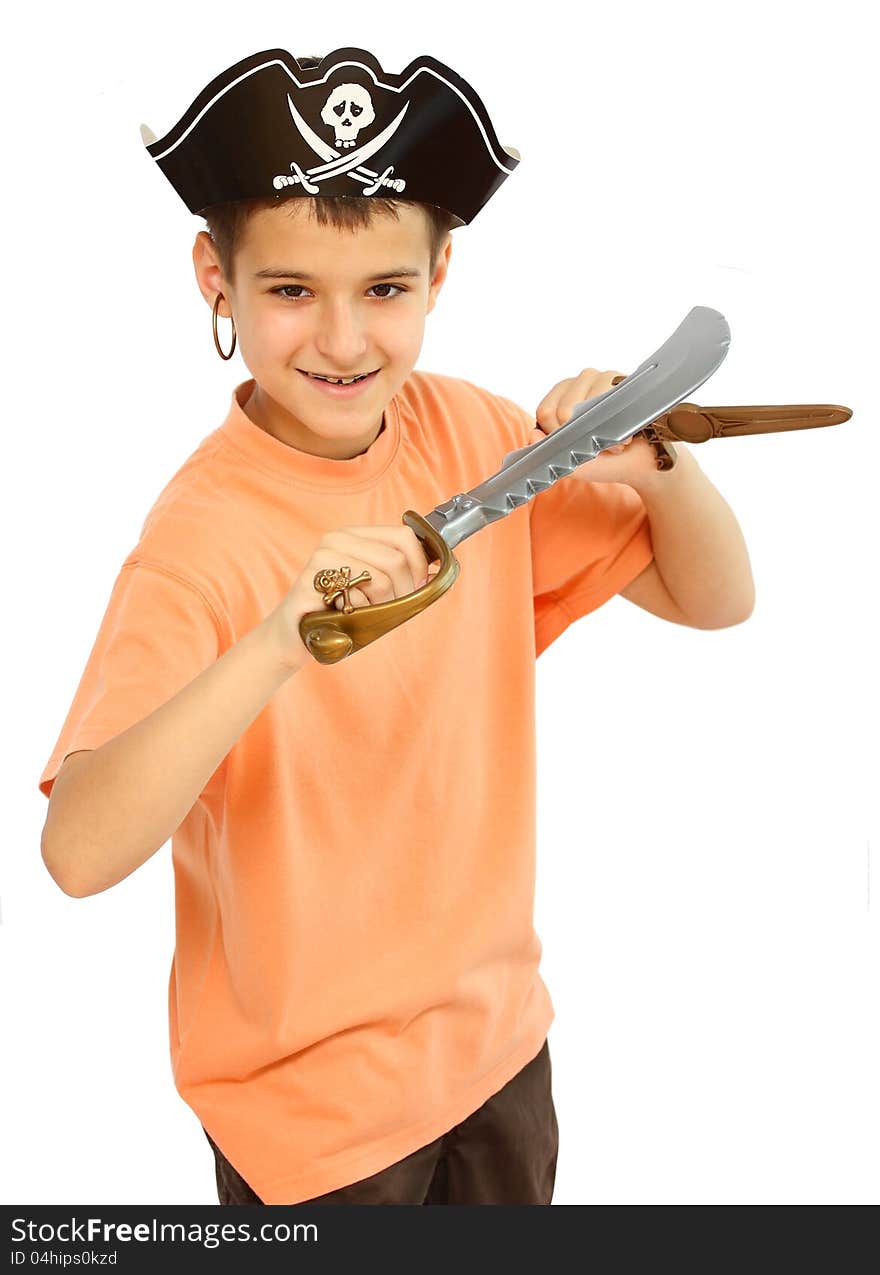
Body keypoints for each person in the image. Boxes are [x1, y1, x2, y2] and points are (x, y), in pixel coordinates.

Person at [37, 48, 755, 1206]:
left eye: (383, 289)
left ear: (439, 275)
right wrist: (277, 640)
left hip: (498, 1052)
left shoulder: (472, 436)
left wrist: (654, 469)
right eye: (288, 291)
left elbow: (715, 601)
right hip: (312, 1122)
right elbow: (77, 853)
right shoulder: (199, 539)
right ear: (213, 278)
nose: (341, 339)